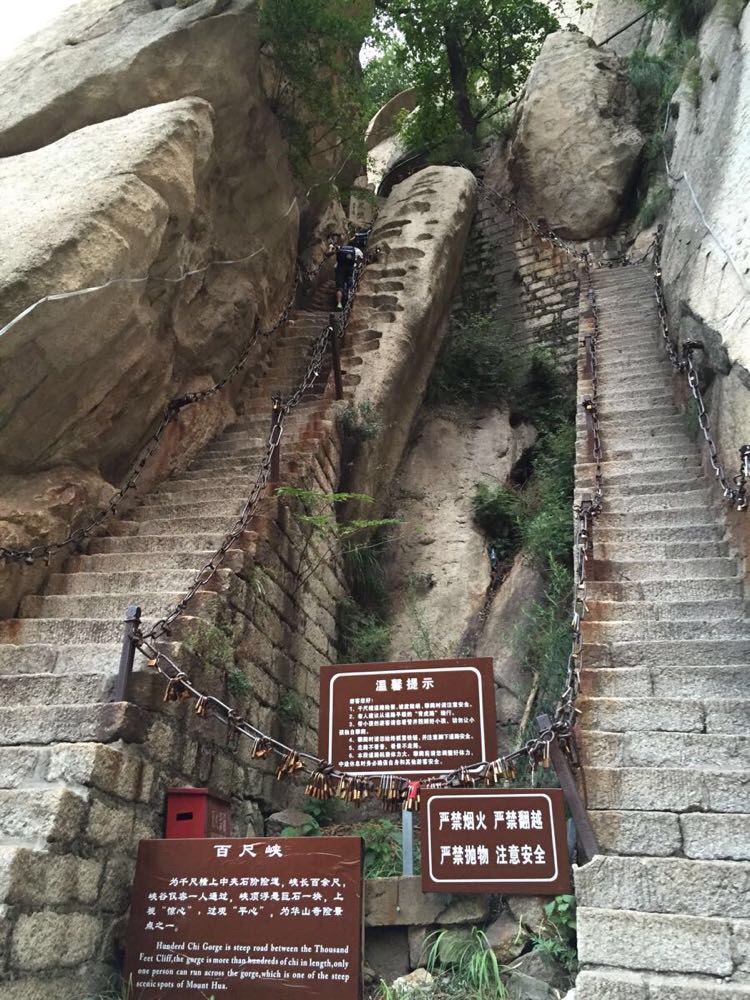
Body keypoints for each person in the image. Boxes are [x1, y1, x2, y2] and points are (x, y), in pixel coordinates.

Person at [328, 237, 364, 310]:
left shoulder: (339, 248)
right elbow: (360, 261)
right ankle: (350, 303)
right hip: (351, 269)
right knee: (351, 285)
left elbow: (328, 254)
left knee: (339, 287)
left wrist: (330, 248)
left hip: (340, 269)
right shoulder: (357, 250)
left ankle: (339, 304)